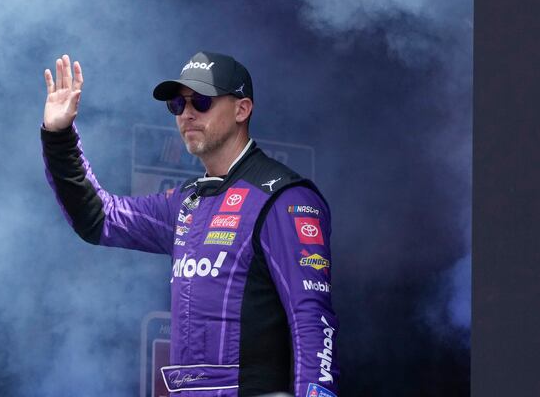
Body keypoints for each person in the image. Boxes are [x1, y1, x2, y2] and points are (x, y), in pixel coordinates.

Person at [41, 51, 339, 397]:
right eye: (177, 105)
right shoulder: (186, 203)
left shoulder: (284, 198)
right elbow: (100, 218)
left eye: (201, 101)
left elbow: (312, 319)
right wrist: (59, 137)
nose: (188, 114)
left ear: (242, 109)